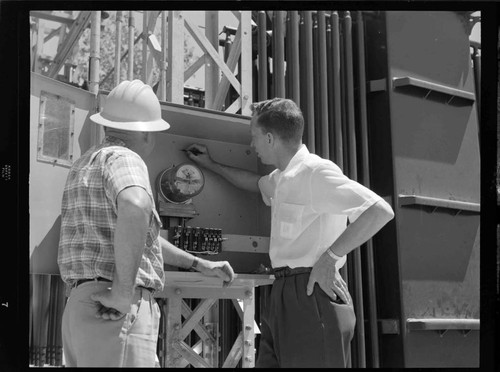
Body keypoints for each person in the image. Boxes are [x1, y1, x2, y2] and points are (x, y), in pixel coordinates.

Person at [185, 97, 394, 368]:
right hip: (282, 292)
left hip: (311, 292)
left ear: (270, 138)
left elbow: (380, 211)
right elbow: (253, 183)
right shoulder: (281, 178)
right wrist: (211, 164)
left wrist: (330, 257)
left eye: (254, 137)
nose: (252, 145)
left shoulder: (316, 172)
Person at [57, 79, 235, 367]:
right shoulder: (126, 158)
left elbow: (139, 234)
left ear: (106, 125)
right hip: (114, 313)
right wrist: (123, 293)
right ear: (145, 132)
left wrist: (199, 263)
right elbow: (135, 207)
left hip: (81, 307)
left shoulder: (84, 164)